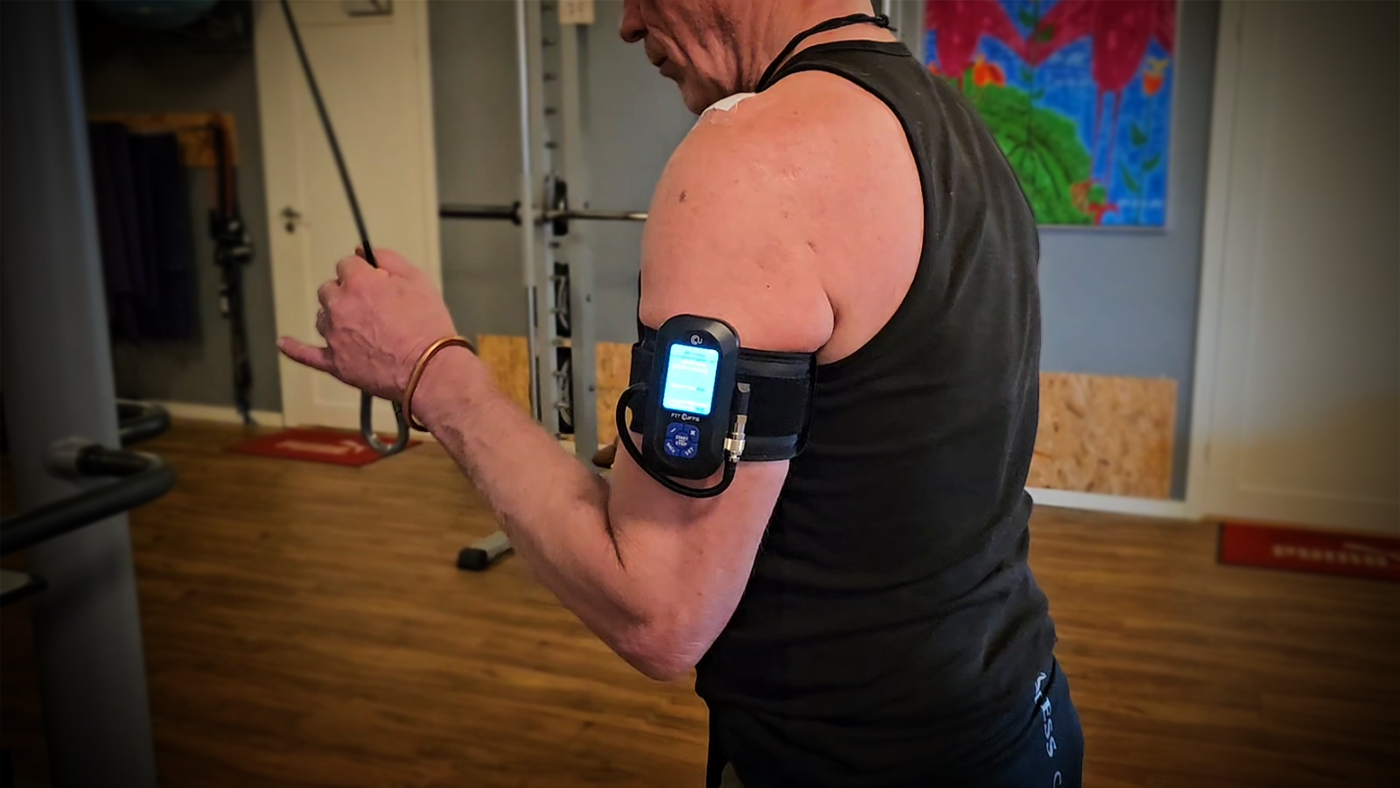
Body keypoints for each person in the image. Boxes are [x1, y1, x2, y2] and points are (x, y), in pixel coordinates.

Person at [277, 1, 1084, 786]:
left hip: (854, 756)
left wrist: (432, 370)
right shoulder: (958, 127)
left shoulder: (752, 155)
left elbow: (656, 613)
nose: (627, 22)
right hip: (1023, 717)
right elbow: (899, 434)